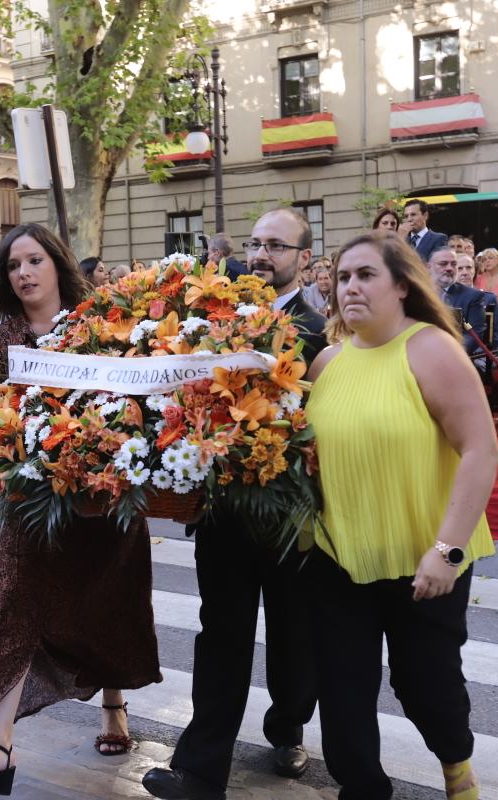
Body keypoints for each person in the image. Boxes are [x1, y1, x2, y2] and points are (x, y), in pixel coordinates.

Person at [0, 223, 161, 793]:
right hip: (25, 499)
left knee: (106, 599)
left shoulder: (98, 325)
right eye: (12, 265)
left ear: (56, 263)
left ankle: (114, 705)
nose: (22, 273)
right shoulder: (1, 340)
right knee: (7, 610)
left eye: (33, 260)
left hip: (97, 494)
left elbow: (131, 405)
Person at [303, 230, 497, 800]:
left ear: (403, 286)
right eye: (342, 277)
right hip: (338, 553)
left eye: (366, 275)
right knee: (342, 692)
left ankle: (456, 768)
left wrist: (447, 550)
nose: (350, 287)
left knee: (425, 686)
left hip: (425, 556)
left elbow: (481, 450)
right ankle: (362, 789)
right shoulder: (326, 361)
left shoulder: (431, 349)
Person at [142, 207, 325, 800]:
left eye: (277, 245)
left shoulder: (318, 330)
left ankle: (288, 725)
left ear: (303, 257)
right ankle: (201, 770)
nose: (262, 254)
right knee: (220, 636)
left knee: (295, 637)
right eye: (255, 243)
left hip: (290, 516)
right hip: (223, 515)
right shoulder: (211, 322)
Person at [429, 247, 490, 361]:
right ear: (429, 267)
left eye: (453, 264)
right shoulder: (417, 293)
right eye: (443, 264)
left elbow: (474, 335)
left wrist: (449, 356)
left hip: (455, 358)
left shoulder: (473, 296)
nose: (449, 268)